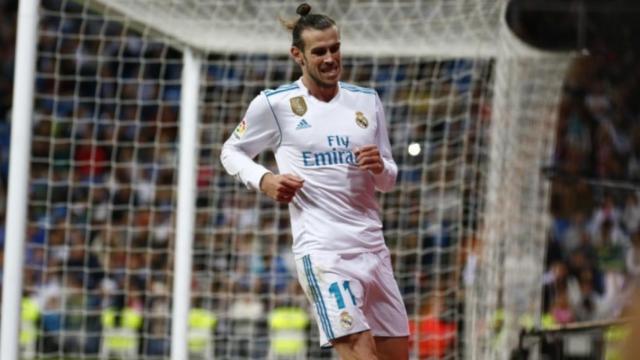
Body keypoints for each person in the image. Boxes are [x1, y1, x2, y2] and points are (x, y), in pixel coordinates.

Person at [220, 3, 409, 359]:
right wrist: (265, 180)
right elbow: (231, 150)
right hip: (324, 254)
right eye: (319, 51)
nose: (329, 58)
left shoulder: (367, 102)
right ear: (298, 55)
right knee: (359, 351)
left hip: (374, 250)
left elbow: (389, 179)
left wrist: (379, 167)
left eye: (334, 48)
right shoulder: (275, 104)